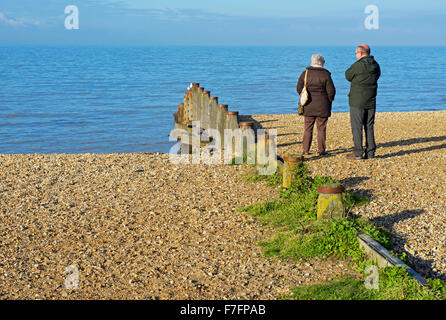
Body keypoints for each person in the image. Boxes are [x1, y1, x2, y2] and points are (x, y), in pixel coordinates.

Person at [345, 44, 381, 160]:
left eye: (356, 53)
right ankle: (370, 152)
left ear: (360, 53)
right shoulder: (375, 65)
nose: (355, 55)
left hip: (357, 101)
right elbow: (378, 76)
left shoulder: (358, 65)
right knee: (369, 126)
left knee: (357, 126)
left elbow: (348, 75)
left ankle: (358, 151)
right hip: (371, 99)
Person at [297, 54, 336, 156]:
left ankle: (305, 150)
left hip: (308, 105)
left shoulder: (305, 73)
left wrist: (304, 97)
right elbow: (331, 91)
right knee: (321, 128)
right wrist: (330, 100)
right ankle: (321, 150)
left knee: (307, 128)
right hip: (323, 106)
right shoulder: (326, 75)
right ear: (321, 63)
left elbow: (298, 88)